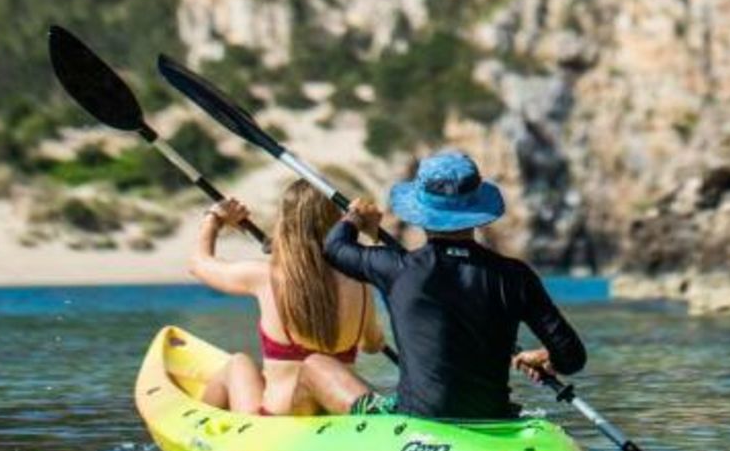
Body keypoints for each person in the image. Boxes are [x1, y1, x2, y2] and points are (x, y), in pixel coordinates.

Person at [323, 149, 586, 420]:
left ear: (422, 211)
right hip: (493, 418)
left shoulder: (396, 268)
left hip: (421, 418)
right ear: (475, 210)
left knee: (315, 366)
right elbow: (572, 357)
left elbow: (334, 248)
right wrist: (548, 359)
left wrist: (355, 218)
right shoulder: (514, 276)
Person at [188, 179, 385, 416]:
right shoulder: (360, 282)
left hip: (276, 421)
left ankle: (195, 428)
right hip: (331, 417)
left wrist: (214, 219)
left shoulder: (265, 276)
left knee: (238, 364)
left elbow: (198, 265)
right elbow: (373, 345)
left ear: (285, 223)